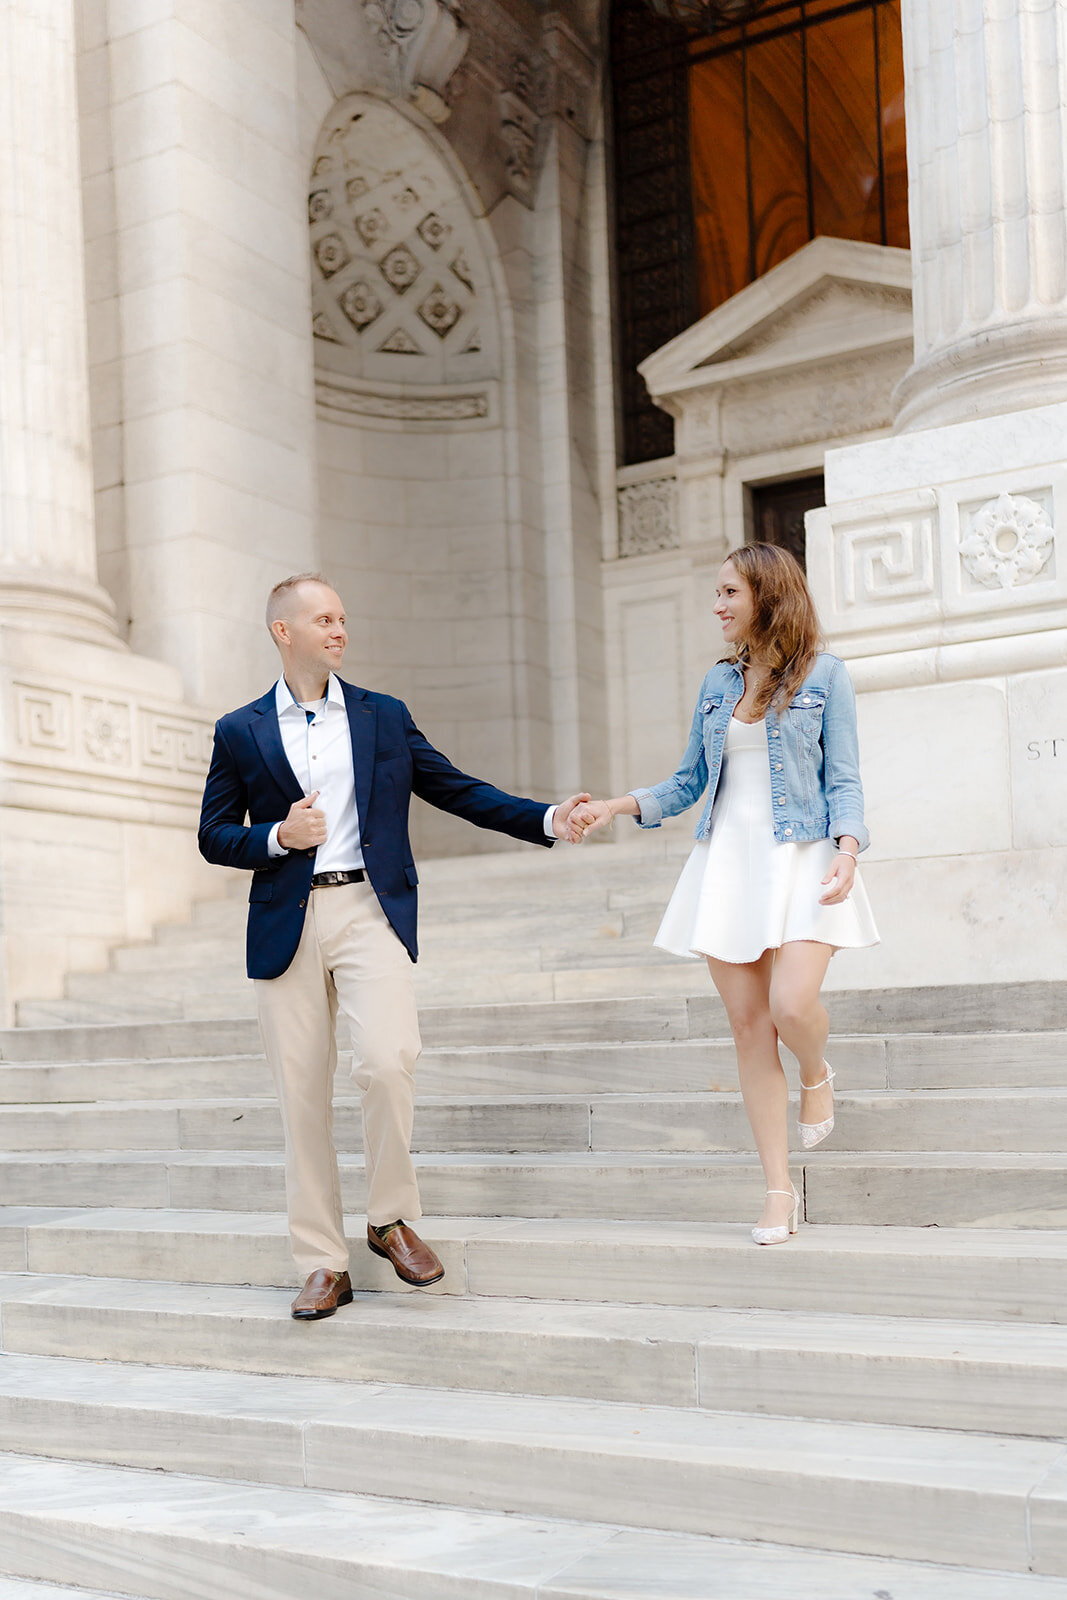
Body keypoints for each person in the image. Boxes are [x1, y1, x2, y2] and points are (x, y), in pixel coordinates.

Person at [199, 573, 589, 1319]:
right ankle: (321, 1262)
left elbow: (454, 788)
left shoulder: (382, 716)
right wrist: (278, 835)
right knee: (301, 1097)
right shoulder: (239, 728)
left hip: (369, 908)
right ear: (285, 632)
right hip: (288, 916)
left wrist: (543, 818)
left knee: (387, 1057)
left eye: (343, 616)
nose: (340, 629)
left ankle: (388, 1219)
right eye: (323, 619)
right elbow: (213, 833)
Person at [571, 543, 879, 1245]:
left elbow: (846, 780)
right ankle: (776, 1191)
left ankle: (815, 1069)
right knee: (747, 1028)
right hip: (726, 866)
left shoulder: (827, 678)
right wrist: (616, 806)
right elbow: (686, 782)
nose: (716, 605)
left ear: (767, 596)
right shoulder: (717, 685)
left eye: (727, 593)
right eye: (716, 593)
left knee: (791, 1004)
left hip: (802, 857)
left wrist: (847, 849)